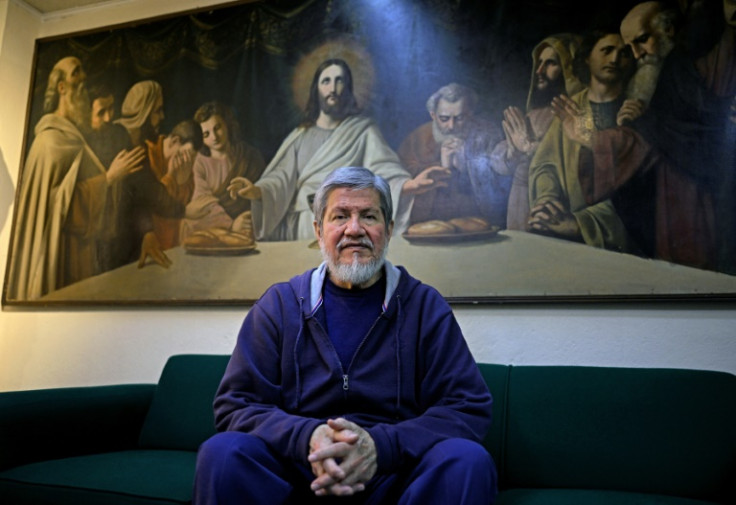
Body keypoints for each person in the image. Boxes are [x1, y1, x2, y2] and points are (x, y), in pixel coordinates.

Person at [193, 166, 496, 505]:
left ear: (389, 229)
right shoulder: (278, 305)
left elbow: (467, 407)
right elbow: (235, 404)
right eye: (340, 216)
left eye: (369, 216)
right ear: (319, 231)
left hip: (394, 476)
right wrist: (307, 436)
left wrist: (381, 447)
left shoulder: (425, 307)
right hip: (298, 471)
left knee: (467, 461)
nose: (355, 229)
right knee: (222, 453)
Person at [573, 0, 733, 271]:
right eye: (630, 47)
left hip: (694, 194)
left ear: (668, 29)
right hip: (666, 196)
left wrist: (642, 121)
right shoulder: (652, 72)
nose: (636, 54)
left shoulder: (681, 66)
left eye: (642, 40)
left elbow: (697, 133)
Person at [224, 58, 449, 241]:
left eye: (340, 81)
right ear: (317, 89)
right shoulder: (299, 136)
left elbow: (383, 171)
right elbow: (280, 178)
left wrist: (410, 185)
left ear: (348, 88)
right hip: (302, 225)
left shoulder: (363, 130)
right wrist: (257, 191)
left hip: (345, 225)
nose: (333, 88)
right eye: (326, 81)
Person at [6, 57, 143, 300]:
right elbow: (57, 207)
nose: (83, 85)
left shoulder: (74, 137)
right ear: (62, 88)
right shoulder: (49, 142)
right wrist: (108, 179)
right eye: (76, 78)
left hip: (78, 252)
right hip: (59, 255)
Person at [528, 28, 638, 253]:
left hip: (618, 235)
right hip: (566, 233)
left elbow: (638, 186)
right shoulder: (571, 108)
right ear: (588, 57)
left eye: (624, 53)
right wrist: (548, 201)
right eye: (607, 50)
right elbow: (545, 165)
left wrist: (582, 224)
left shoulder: (635, 111)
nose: (615, 59)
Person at [487, 34, 584, 230]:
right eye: (539, 63)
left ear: (569, 68)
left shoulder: (580, 113)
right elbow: (498, 158)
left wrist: (530, 148)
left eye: (550, 64)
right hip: (520, 205)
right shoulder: (535, 113)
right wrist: (511, 154)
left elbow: (578, 157)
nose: (539, 71)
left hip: (557, 209)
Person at [398, 83, 510, 226]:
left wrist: (466, 166)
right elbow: (403, 183)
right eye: (444, 119)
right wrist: (442, 166)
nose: (451, 126)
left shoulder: (487, 134)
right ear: (433, 115)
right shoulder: (416, 139)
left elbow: (502, 184)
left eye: (460, 118)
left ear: (470, 114)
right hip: (430, 224)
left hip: (479, 222)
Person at [181, 101, 265, 240]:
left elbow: (263, 191)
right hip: (220, 230)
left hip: (252, 225)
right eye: (206, 134)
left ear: (227, 125)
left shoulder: (250, 156)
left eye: (217, 127)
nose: (214, 137)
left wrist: (249, 220)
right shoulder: (200, 163)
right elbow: (204, 204)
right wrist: (231, 226)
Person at [146, 119, 203, 249]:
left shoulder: (185, 167)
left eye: (192, 158)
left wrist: (182, 184)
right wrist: (171, 177)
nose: (187, 161)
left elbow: (179, 212)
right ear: (174, 141)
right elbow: (158, 205)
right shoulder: (147, 154)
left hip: (171, 246)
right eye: (185, 154)